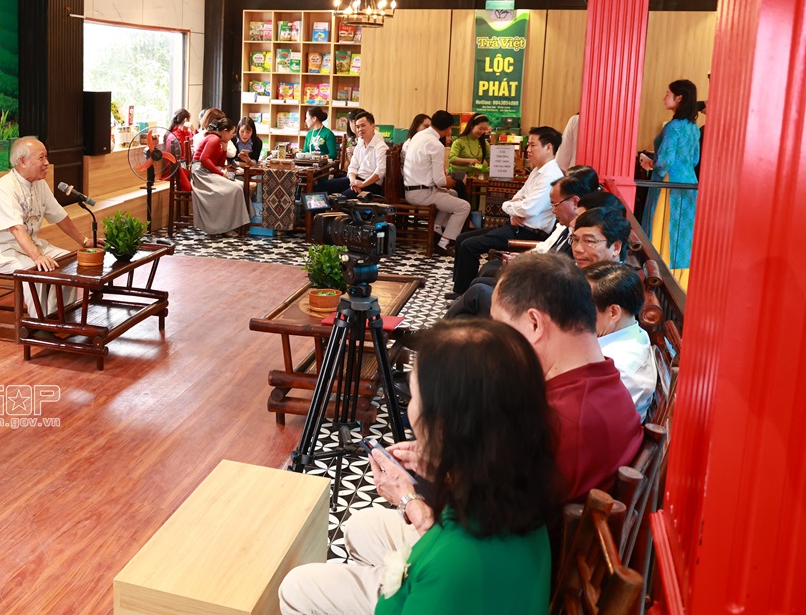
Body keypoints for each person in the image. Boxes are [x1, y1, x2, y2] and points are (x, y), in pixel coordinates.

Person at [279, 320, 557, 615]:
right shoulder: (517, 481)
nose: (410, 408)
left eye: (414, 397)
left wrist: (409, 498)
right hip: (477, 577)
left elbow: (443, 571)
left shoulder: (451, 565)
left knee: (295, 587)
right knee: (361, 527)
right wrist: (445, 468)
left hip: (430, 589)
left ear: (444, 426)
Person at [490, 253, 643, 502]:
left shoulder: (559, 422)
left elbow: (493, 514)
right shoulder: (607, 377)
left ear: (535, 323)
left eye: (499, 325)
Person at [441, 167, 598, 320]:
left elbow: (558, 277)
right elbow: (548, 252)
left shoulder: (581, 242)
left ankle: (444, 330)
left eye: (555, 205)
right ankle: (464, 330)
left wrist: (525, 265)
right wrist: (522, 259)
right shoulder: (567, 228)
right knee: (478, 281)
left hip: (541, 296)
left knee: (478, 289)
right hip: (537, 280)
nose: (552, 211)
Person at [0, 137, 95, 316]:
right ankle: (40, 322)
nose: (47, 163)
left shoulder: (39, 183)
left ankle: (61, 317)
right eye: (41, 158)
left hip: (27, 245)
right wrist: (37, 256)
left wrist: (84, 241)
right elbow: (16, 228)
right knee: (36, 269)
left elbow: (59, 216)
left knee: (68, 263)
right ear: (22, 161)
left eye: (46, 157)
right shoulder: (4, 187)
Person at [449, 126, 564, 296]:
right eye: (528, 145)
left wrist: (510, 207)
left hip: (529, 233)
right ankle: (460, 289)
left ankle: (465, 294)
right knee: (462, 238)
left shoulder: (551, 175)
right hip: (515, 226)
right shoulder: (537, 170)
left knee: (469, 245)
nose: (528, 149)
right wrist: (513, 210)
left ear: (548, 147)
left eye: (532, 145)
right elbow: (518, 197)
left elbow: (529, 208)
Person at [640, 79, 700, 286]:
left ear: (679, 98)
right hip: (689, 184)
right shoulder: (694, 128)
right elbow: (694, 159)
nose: (664, 97)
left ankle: (659, 277)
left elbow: (664, 162)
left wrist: (649, 163)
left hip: (669, 184)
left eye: (668, 93)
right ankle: (681, 282)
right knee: (682, 236)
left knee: (663, 227)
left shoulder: (673, 127)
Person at [585, 262, 658, 416]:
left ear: (613, 313)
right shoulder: (633, 331)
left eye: (582, 306)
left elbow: (583, 418)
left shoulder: (618, 370)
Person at [400, 110, 471, 255]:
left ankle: (436, 229)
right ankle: (445, 243)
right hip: (422, 193)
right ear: (448, 128)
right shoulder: (436, 145)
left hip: (411, 189)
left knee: (453, 193)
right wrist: (447, 181)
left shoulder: (419, 135)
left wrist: (445, 182)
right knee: (464, 206)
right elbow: (439, 181)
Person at [191, 116, 250, 237]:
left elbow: (220, 164)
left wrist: (224, 148)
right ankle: (226, 226)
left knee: (241, 185)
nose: (233, 136)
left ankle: (237, 224)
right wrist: (221, 174)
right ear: (225, 131)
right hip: (201, 173)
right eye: (232, 133)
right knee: (235, 189)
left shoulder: (220, 141)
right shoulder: (213, 139)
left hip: (209, 171)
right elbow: (204, 159)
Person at [314, 110, 386, 198]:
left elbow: (380, 172)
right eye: (358, 127)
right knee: (321, 187)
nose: (360, 129)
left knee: (340, 199)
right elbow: (352, 166)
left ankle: (331, 206)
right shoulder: (360, 142)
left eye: (363, 125)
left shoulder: (381, 147)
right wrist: (353, 181)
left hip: (371, 184)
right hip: (356, 180)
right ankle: (316, 207)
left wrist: (362, 184)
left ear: (373, 126)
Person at [166, 108, 194, 191]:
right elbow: (174, 159)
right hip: (177, 170)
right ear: (186, 120)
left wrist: (193, 129)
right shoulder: (173, 136)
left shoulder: (186, 133)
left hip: (185, 166)